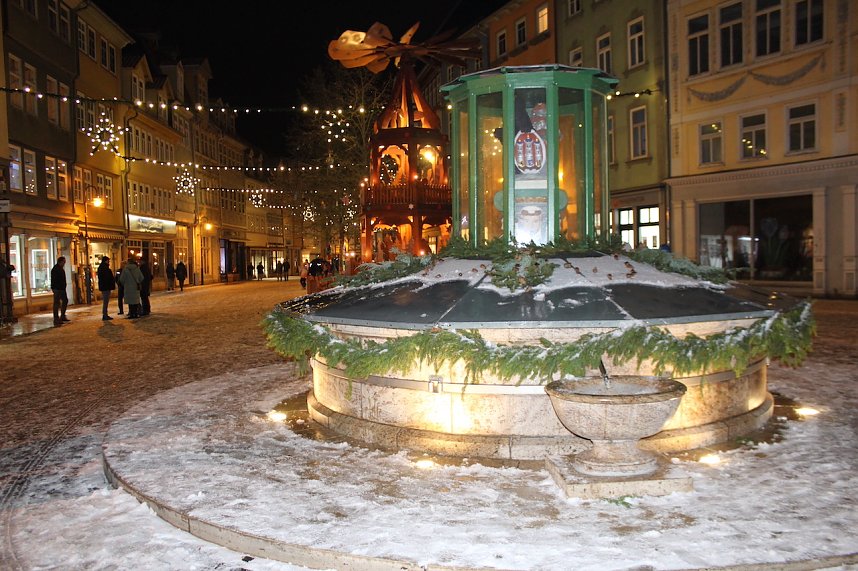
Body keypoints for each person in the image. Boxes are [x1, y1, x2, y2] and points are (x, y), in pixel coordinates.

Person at [50, 256, 69, 327]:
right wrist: (56, 287)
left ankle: (62, 316)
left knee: (65, 301)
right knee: (57, 303)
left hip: (61, 288)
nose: (64, 263)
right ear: (60, 262)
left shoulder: (60, 269)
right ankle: (56, 318)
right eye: (64, 262)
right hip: (58, 288)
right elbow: (55, 280)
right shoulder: (56, 269)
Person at [96, 256, 115, 321]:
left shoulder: (101, 268)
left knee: (105, 301)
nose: (109, 262)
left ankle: (105, 314)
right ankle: (105, 315)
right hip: (106, 287)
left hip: (103, 286)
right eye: (108, 261)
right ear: (106, 261)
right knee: (105, 301)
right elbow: (107, 278)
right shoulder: (105, 268)